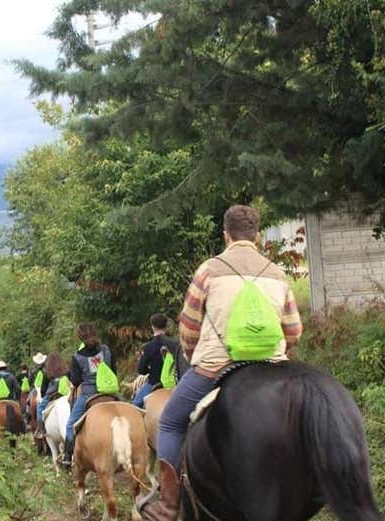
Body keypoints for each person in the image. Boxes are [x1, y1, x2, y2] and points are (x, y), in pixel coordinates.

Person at [142, 205, 303, 521]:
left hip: (215, 366)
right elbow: (294, 330)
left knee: (171, 420)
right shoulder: (276, 273)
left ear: (226, 235)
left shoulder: (208, 270)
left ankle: (169, 504)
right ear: (256, 235)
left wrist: (191, 356)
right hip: (271, 367)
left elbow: (188, 328)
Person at [60, 323, 117, 468]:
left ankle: (67, 456)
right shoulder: (106, 350)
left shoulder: (77, 357)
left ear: (80, 338)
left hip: (89, 393)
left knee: (70, 425)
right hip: (109, 391)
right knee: (130, 410)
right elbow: (114, 371)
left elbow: (75, 380)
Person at [132, 313, 182, 408]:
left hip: (154, 383)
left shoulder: (148, 347)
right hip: (174, 384)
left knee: (135, 405)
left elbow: (141, 370)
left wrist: (149, 370)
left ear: (152, 327)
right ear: (166, 326)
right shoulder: (176, 344)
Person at [34, 352, 69, 439]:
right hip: (65, 393)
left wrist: (42, 395)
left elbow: (43, 389)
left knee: (40, 408)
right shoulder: (66, 370)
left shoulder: (46, 372)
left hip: (51, 395)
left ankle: (40, 430)